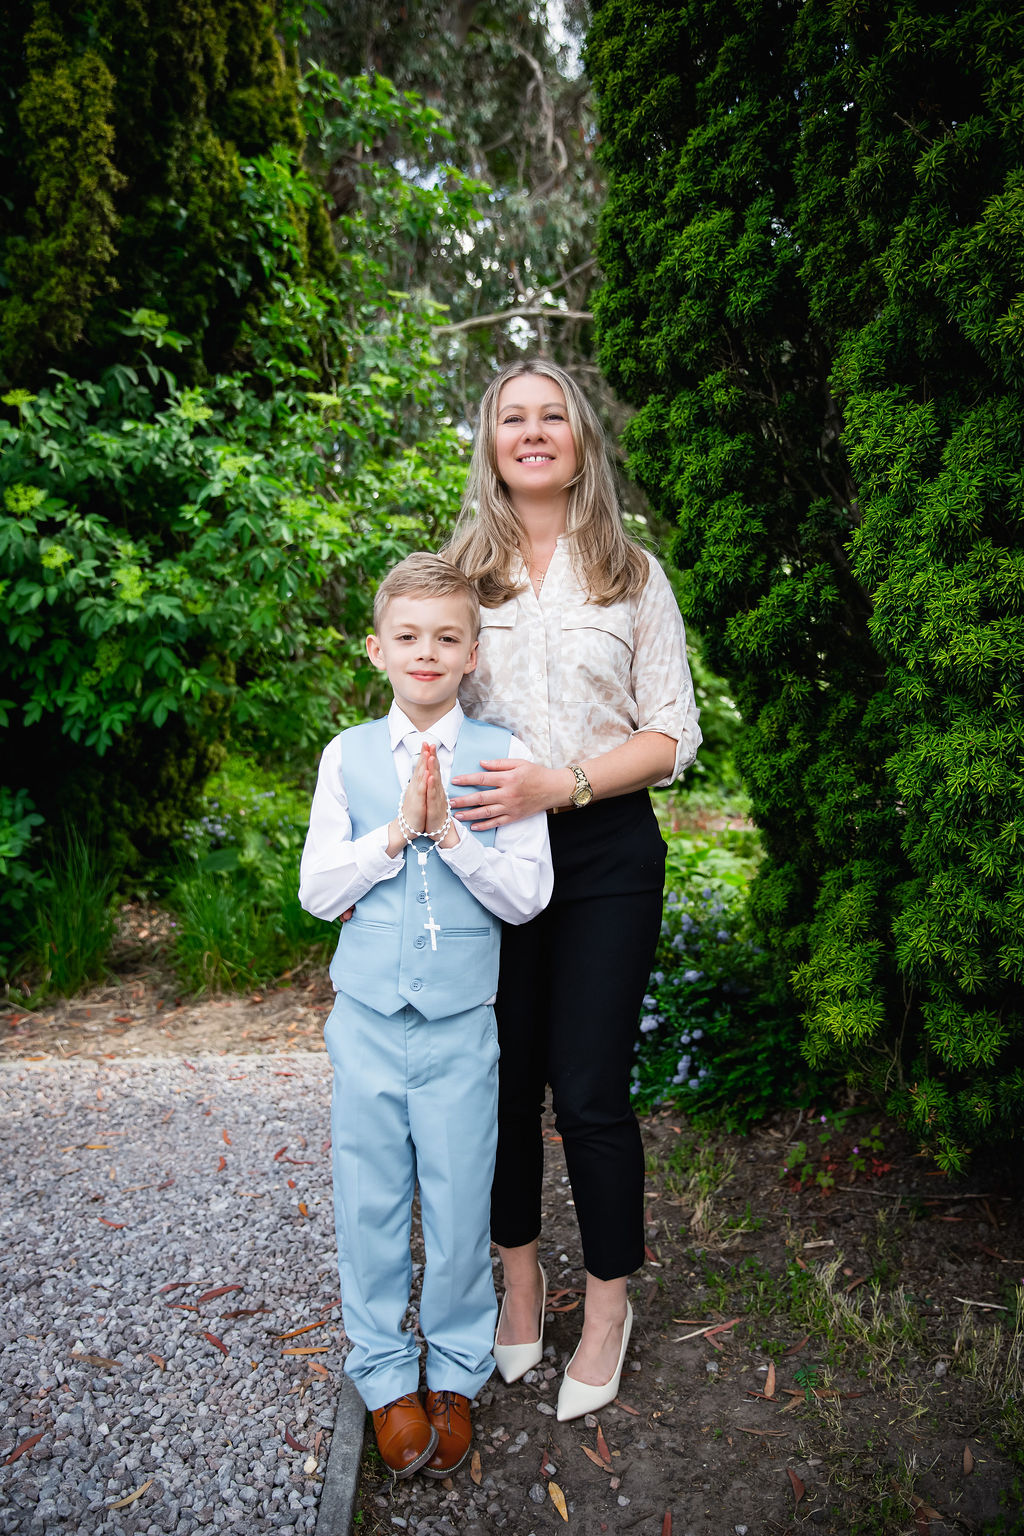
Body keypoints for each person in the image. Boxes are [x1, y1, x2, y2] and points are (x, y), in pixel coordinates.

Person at [443, 359, 701, 1422]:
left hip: (602, 854)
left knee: (588, 1087)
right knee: (500, 1081)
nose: (535, 432)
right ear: (492, 443)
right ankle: (516, 1282)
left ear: (581, 441)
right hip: (489, 856)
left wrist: (569, 783)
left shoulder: (631, 573)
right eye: (515, 418)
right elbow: (420, 706)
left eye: (554, 416)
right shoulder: (460, 573)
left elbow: (673, 732)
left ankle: (604, 1304)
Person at [298, 553, 552, 1478]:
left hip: (458, 1027)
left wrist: (450, 834)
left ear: (473, 652)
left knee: (455, 1200)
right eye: (408, 636)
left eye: (447, 637)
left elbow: (527, 895)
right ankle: (381, 1375)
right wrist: (395, 833)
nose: (427, 652)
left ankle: (454, 1366)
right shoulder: (347, 757)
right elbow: (318, 892)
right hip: (366, 1019)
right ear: (378, 649)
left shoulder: (505, 756)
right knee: (368, 1200)